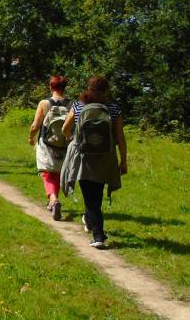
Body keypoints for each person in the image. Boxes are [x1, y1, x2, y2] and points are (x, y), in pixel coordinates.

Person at [60, 75, 127, 249]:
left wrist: (73, 139)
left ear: (88, 89)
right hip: (105, 157)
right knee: (94, 194)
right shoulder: (113, 108)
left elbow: (65, 129)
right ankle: (92, 224)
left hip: (83, 156)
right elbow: (120, 137)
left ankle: (98, 235)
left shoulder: (78, 106)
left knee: (91, 197)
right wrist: (124, 160)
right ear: (107, 91)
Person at [28, 75, 72, 221]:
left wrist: (31, 137)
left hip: (47, 143)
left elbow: (36, 125)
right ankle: (53, 201)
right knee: (58, 172)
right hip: (65, 144)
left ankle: (53, 200)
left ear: (50, 87)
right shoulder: (72, 104)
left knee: (46, 173)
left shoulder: (44, 103)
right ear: (64, 87)